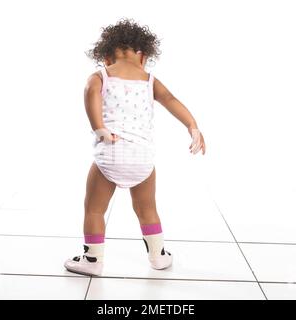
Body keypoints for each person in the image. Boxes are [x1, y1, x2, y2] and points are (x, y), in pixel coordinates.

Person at [64, 18, 206, 276]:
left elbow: (89, 91)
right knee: (147, 208)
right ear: (143, 55)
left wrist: (99, 128)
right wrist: (193, 126)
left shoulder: (101, 76)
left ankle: (93, 260)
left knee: (95, 208)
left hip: (111, 154)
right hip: (142, 158)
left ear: (106, 56)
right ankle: (158, 256)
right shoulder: (150, 80)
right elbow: (171, 100)